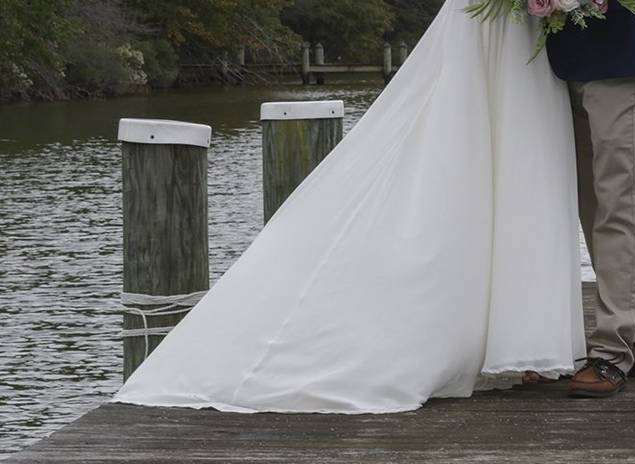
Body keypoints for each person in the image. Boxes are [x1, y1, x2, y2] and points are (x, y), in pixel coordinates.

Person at [115, 0, 587, 414]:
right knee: (464, 153)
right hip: (492, 26)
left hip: (530, 33)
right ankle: (482, 334)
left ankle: (520, 337)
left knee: (521, 159)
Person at [547, 0, 635, 399]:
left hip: (625, 49)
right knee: (593, 205)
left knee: (624, 202)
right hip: (561, 53)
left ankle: (612, 348)